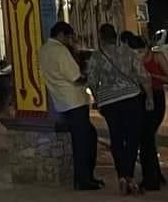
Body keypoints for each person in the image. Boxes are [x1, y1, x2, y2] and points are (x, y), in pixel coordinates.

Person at [87, 24, 153, 196]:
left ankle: (121, 176)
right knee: (132, 138)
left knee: (116, 137)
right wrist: (150, 98)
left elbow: (92, 81)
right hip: (131, 99)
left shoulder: (97, 56)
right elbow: (143, 76)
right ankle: (129, 175)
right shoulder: (128, 52)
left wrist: (99, 99)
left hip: (109, 102)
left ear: (101, 37)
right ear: (116, 36)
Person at [40, 22, 103, 191]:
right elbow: (75, 77)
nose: (70, 41)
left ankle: (86, 177)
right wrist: (88, 76)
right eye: (69, 37)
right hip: (74, 101)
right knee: (83, 142)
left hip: (62, 102)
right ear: (62, 35)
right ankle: (83, 180)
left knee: (88, 136)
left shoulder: (44, 50)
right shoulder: (60, 51)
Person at [124, 33, 168, 191]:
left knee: (146, 138)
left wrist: (151, 76)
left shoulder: (157, 57)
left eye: (140, 52)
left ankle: (151, 179)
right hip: (140, 97)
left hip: (156, 97)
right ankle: (154, 175)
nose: (138, 56)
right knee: (145, 138)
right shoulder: (132, 59)